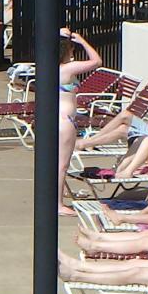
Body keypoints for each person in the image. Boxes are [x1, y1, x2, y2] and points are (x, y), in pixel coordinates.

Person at [52, 29, 106, 216]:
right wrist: (82, 40)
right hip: (65, 121)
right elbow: (97, 61)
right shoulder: (67, 69)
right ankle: (58, 205)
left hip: (55, 119)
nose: (73, 53)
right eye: (71, 49)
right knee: (62, 165)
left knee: (53, 163)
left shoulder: (48, 67)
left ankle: (56, 198)